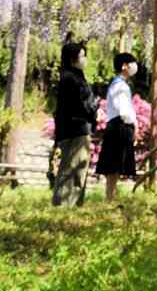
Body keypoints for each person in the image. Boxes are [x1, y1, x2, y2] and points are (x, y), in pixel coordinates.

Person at [52, 41, 97, 207]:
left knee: (77, 168)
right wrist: (95, 108)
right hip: (76, 129)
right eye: (82, 56)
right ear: (72, 59)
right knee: (72, 168)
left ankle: (73, 205)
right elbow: (84, 104)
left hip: (74, 128)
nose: (84, 60)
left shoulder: (69, 76)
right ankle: (63, 205)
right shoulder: (72, 79)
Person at [95, 52, 139, 201]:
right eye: (132, 63)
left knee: (115, 166)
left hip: (115, 125)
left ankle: (110, 198)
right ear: (124, 66)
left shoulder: (119, 84)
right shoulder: (120, 85)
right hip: (120, 125)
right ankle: (110, 199)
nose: (135, 66)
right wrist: (133, 125)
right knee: (114, 165)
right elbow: (124, 110)